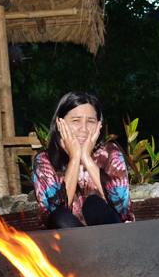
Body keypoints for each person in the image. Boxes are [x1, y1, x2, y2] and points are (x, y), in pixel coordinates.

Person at [32, 91, 135, 229]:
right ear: (59, 123)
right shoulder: (45, 160)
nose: (84, 129)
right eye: (76, 120)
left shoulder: (110, 152)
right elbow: (52, 211)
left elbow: (121, 205)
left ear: (99, 125)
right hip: (69, 242)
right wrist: (75, 157)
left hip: (110, 239)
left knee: (94, 204)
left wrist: (86, 157)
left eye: (90, 122)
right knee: (59, 216)